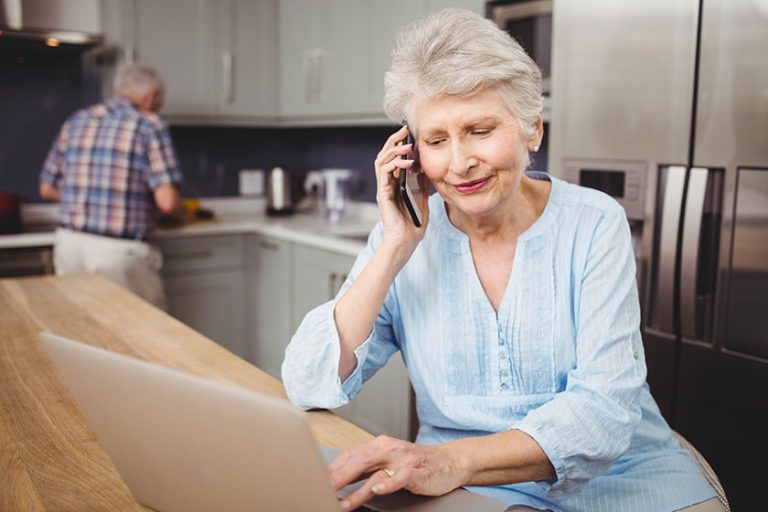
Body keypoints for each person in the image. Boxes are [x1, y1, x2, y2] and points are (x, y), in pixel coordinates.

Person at [281, 9, 725, 512]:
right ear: (411, 153)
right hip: (469, 489)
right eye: (436, 140)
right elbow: (306, 383)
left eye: (480, 129)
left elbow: (605, 410)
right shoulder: (402, 237)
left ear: (532, 129)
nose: (460, 162)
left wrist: (451, 461)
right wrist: (395, 247)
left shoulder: (594, 222)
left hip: (619, 478)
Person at [39, 64, 182, 309]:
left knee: (81, 322)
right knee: (140, 325)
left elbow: (47, 189)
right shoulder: (149, 125)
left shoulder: (77, 120)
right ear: (151, 96)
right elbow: (167, 202)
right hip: (118, 251)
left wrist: (87, 197)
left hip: (69, 245)